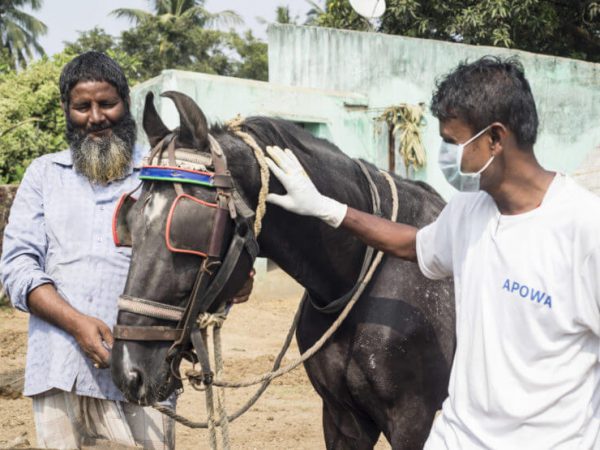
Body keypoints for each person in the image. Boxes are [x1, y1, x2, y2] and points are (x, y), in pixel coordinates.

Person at [264, 56, 600, 449]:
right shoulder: (468, 210)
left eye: (452, 143)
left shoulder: (584, 229)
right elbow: (411, 243)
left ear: (495, 138)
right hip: (458, 438)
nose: (446, 157)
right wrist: (330, 210)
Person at [0, 51, 256, 449]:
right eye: (82, 106)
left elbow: (198, 266)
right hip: (60, 367)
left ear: (127, 104)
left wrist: (234, 287)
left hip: (148, 369)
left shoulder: (164, 177)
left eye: (107, 103)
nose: (96, 117)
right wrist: (77, 324)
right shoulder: (44, 175)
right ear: (67, 110)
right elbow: (17, 267)